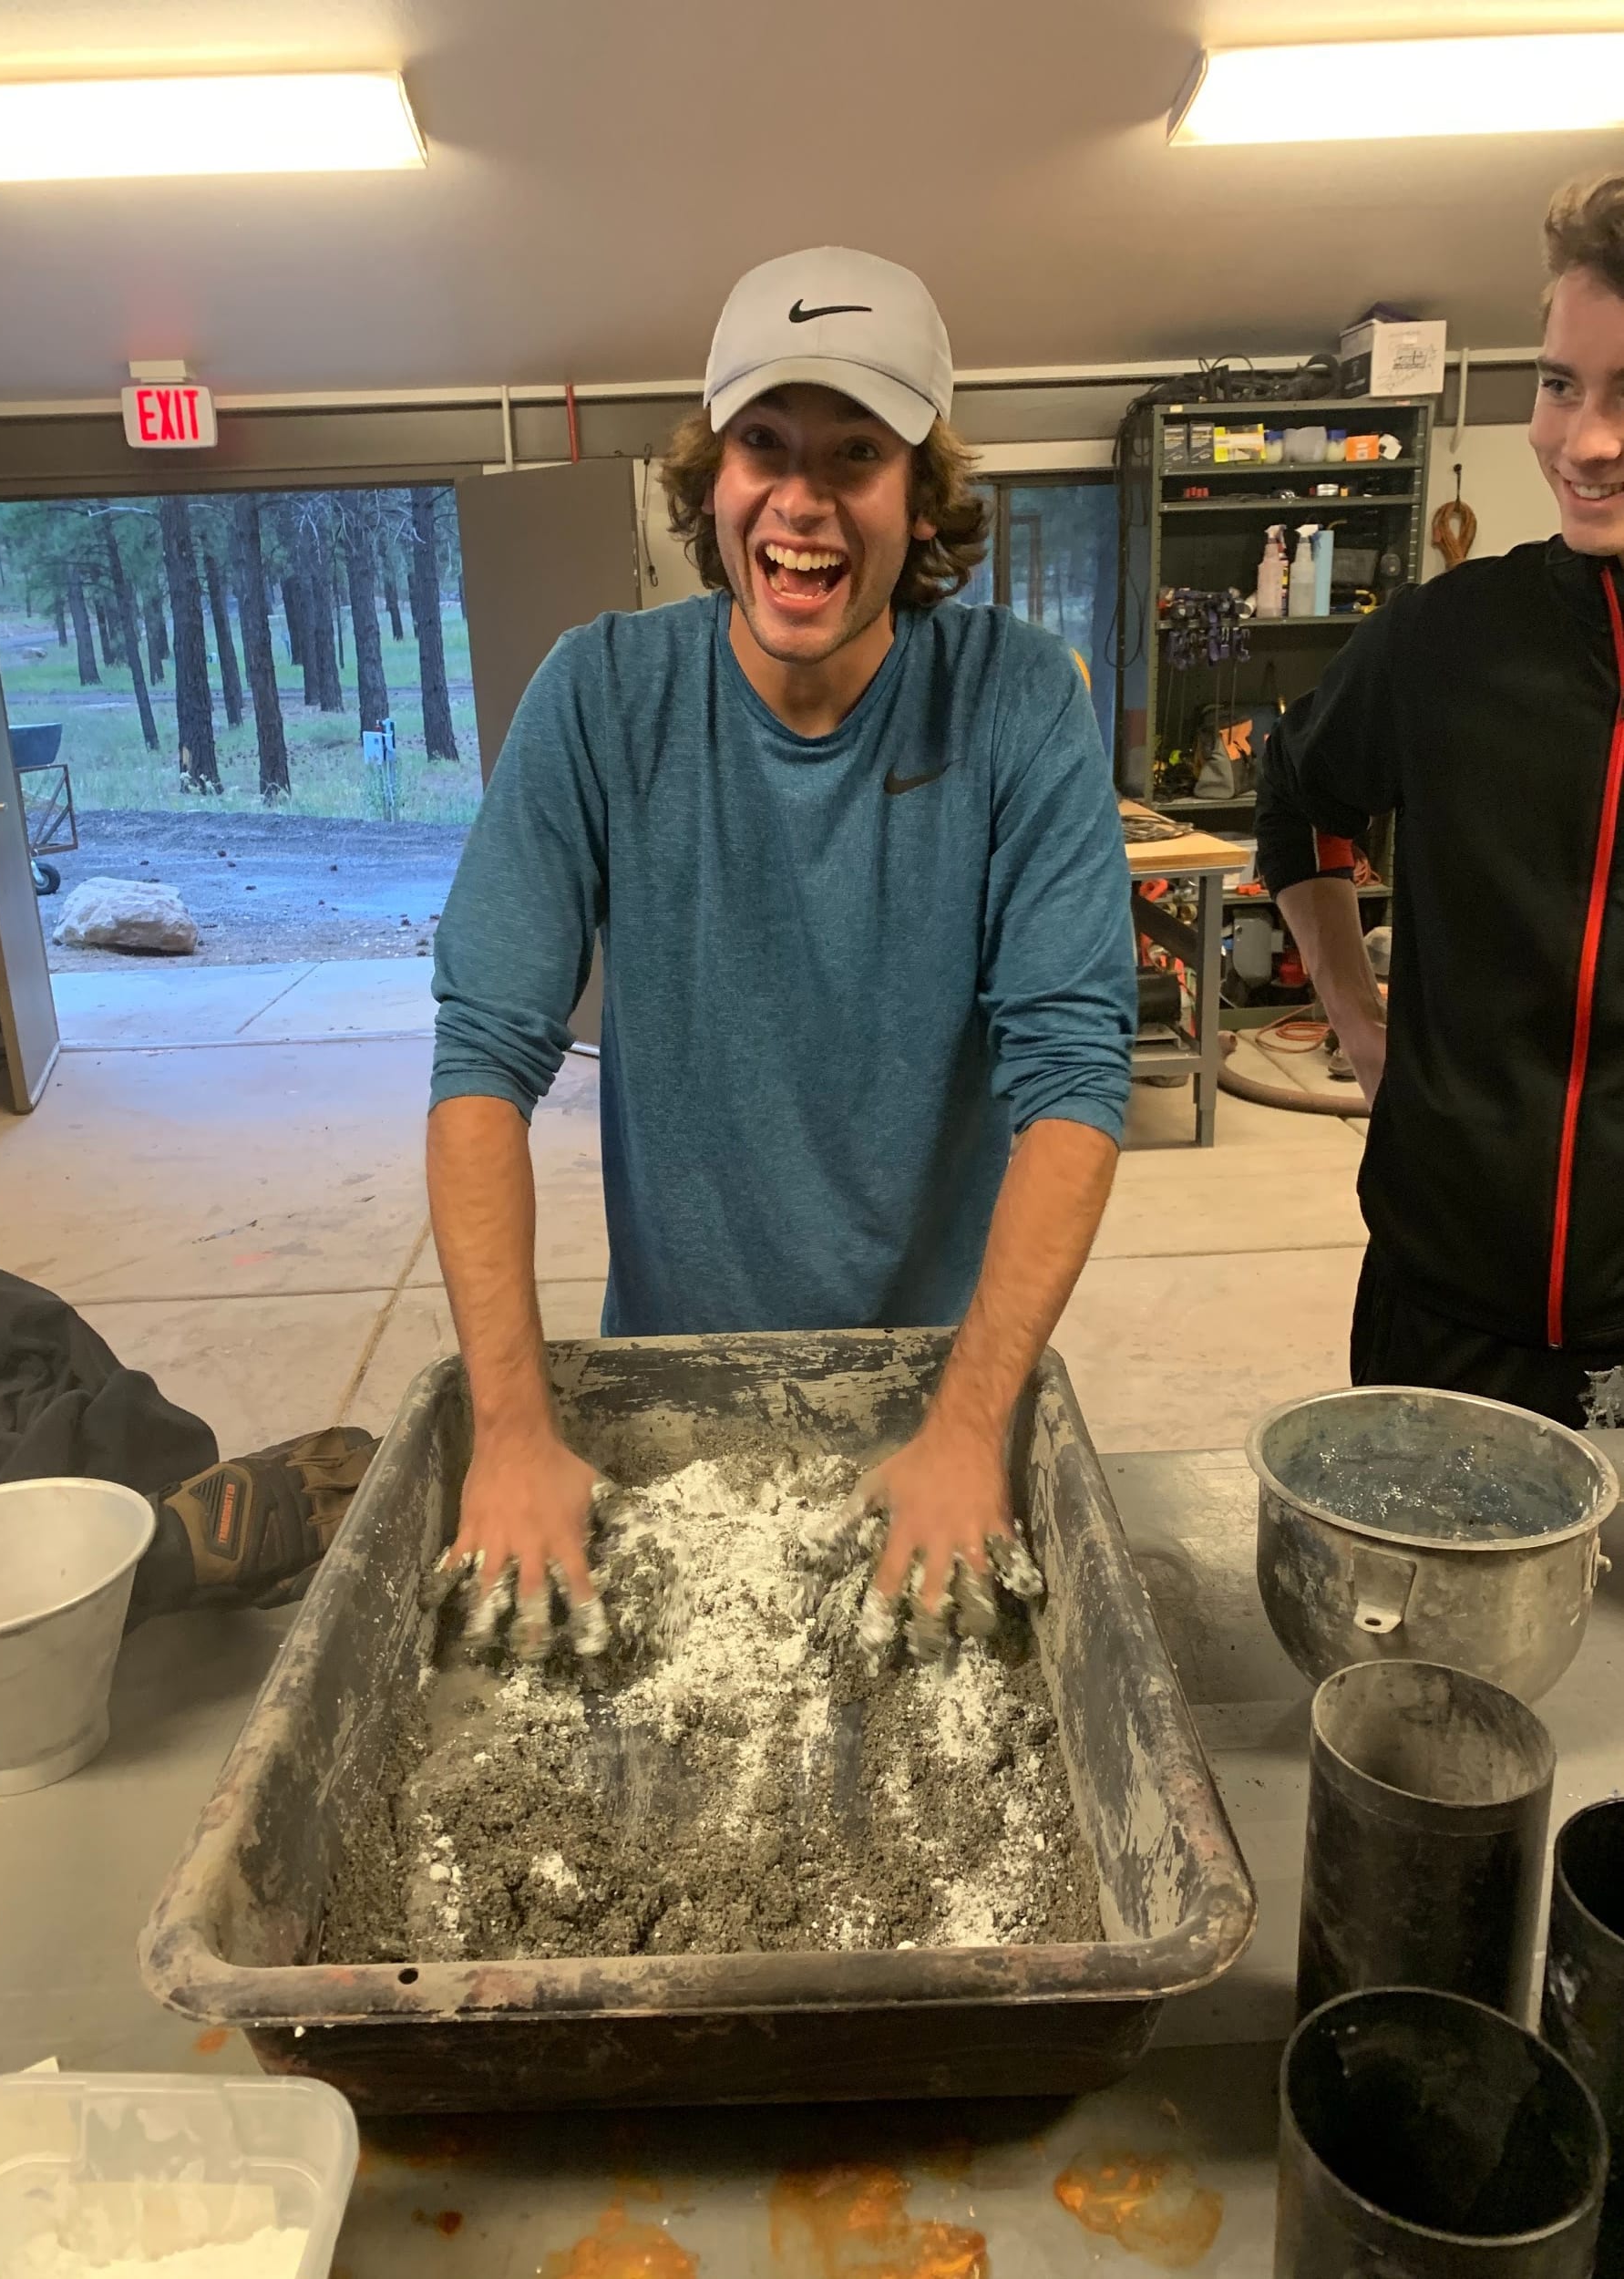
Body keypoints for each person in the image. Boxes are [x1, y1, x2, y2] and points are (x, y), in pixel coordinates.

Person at [427, 246, 1135, 1652]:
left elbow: (1073, 1079)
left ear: (919, 494)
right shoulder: (602, 698)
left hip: (936, 1383)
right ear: (711, 473)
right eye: (765, 442)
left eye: (855, 454)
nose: (801, 500)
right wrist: (511, 1430)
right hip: (670, 1379)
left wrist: (967, 1422)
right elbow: (478, 1063)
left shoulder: (1015, 706)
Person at [1258, 173, 1624, 1428]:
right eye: (1561, 382)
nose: (1583, 441)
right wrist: (1359, 1022)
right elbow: (1301, 787)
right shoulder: (1445, 641)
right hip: (1446, 1302)